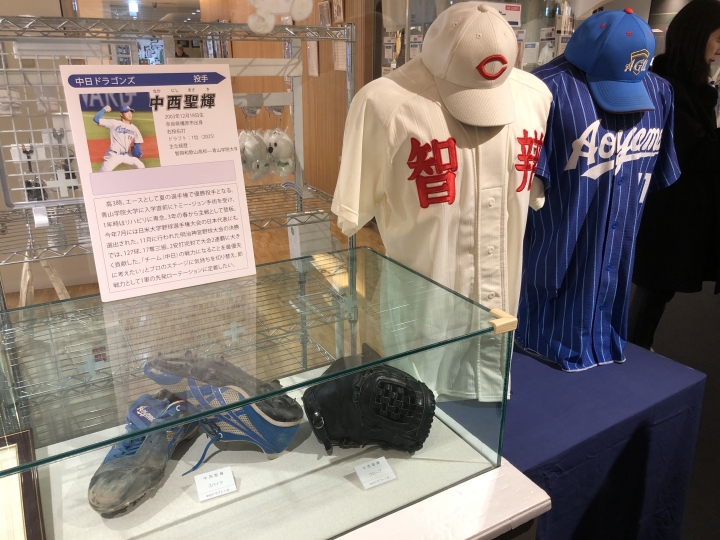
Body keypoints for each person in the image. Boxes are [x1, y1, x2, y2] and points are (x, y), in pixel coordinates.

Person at [629, 0, 720, 349]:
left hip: (679, 210)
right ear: (697, 36)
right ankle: (634, 350)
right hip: (666, 209)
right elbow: (688, 151)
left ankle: (636, 347)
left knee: (656, 292)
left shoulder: (692, 87)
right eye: (717, 38)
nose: (719, 48)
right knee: (653, 289)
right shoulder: (667, 87)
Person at [93, 105, 145, 172]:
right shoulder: (114, 123)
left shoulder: (134, 128)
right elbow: (96, 119)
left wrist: (138, 150)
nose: (130, 114)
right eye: (127, 112)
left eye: (131, 112)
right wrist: (104, 109)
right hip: (114, 155)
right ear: (121, 114)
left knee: (141, 166)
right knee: (102, 174)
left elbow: (137, 143)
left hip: (126, 155)